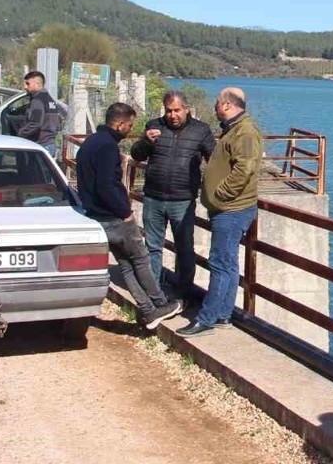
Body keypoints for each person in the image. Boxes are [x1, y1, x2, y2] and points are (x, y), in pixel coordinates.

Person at [76, 102, 182, 330]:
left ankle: (147, 310)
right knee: (140, 258)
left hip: (95, 214)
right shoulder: (107, 146)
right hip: (113, 216)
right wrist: (124, 212)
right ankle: (160, 303)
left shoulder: (91, 142)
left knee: (125, 263)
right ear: (120, 123)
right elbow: (106, 185)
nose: (129, 130)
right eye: (129, 125)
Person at [176, 87, 263, 338]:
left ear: (226, 105)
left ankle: (207, 318)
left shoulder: (245, 131)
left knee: (220, 263)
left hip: (232, 209)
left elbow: (245, 169)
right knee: (228, 264)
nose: (214, 107)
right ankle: (223, 314)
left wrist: (220, 194)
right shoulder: (235, 129)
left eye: (217, 103)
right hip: (229, 208)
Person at [130, 90, 216, 296]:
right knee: (152, 248)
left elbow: (215, 160)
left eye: (177, 110)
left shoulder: (201, 130)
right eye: (169, 111)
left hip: (183, 200)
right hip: (153, 198)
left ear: (187, 109)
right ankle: (154, 294)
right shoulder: (153, 126)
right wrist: (145, 141)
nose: (172, 115)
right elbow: (136, 155)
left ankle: (184, 293)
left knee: (184, 249)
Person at [17, 70, 64, 156]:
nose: (25, 87)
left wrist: (20, 134)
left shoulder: (38, 101)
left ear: (37, 84)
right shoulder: (49, 100)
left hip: (40, 145)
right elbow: (57, 124)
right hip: (50, 145)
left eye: (28, 84)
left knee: (32, 169)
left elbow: (35, 123)